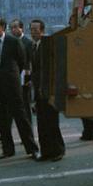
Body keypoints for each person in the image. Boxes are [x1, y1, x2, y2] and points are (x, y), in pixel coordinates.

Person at [0, 16, 40, 159]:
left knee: (21, 117)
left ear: (3, 27)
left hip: (12, 86)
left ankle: (31, 148)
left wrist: (11, 75)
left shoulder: (13, 42)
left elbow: (21, 62)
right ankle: (8, 150)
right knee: (1, 120)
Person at [29, 19, 65, 161]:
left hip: (49, 90)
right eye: (31, 29)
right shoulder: (34, 46)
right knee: (42, 123)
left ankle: (58, 150)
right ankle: (46, 152)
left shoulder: (48, 45)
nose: (33, 32)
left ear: (42, 30)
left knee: (52, 123)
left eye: (36, 29)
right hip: (39, 91)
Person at [10, 18, 34, 123]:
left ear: (21, 28)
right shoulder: (11, 42)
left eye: (15, 27)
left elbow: (30, 61)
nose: (13, 30)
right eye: (11, 28)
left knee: (25, 105)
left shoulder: (28, 43)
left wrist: (29, 77)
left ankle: (29, 133)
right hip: (13, 78)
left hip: (24, 78)